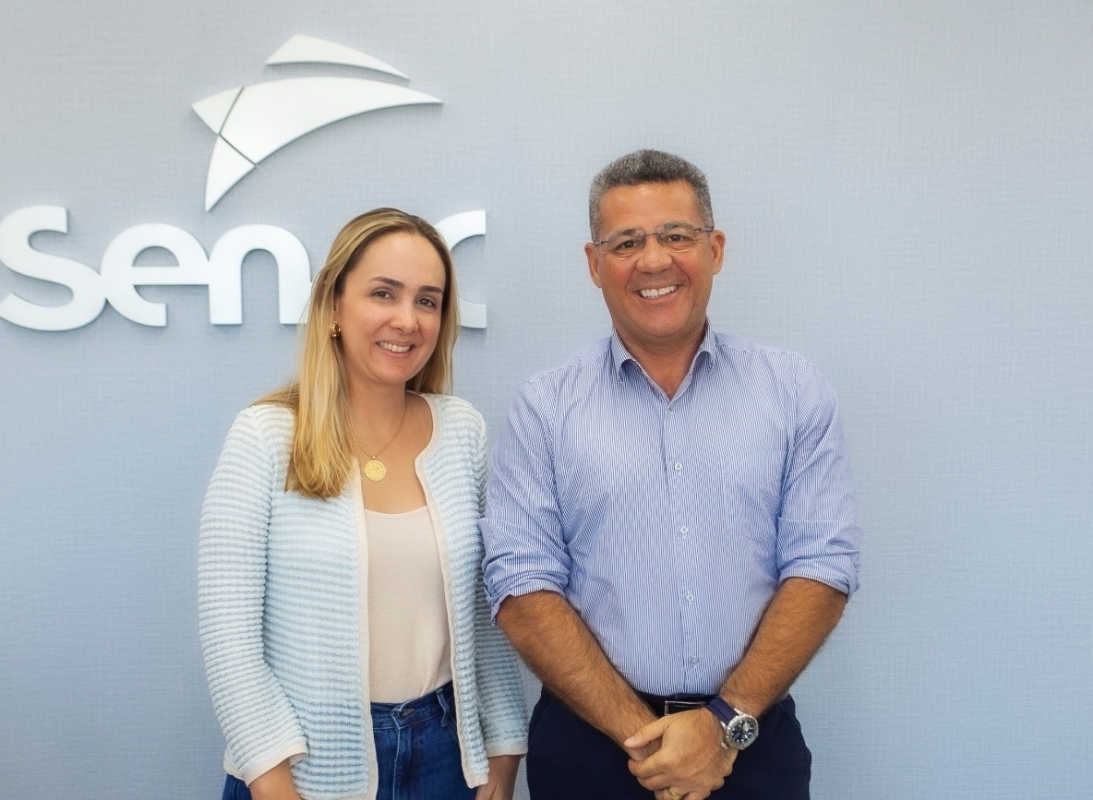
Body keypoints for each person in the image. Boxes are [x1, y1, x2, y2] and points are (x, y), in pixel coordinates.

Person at [481, 150, 861, 800]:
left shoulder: (793, 391)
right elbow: (520, 587)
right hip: (590, 753)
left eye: (676, 237)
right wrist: (651, 742)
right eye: (626, 242)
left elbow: (823, 567)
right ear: (594, 263)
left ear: (714, 249)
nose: (653, 261)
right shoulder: (544, 407)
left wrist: (721, 727)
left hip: (751, 747)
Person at [199, 208, 528, 800]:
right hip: (301, 765)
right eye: (384, 293)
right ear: (333, 305)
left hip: (447, 758)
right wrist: (275, 786)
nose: (407, 320)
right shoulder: (265, 437)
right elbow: (230, 643)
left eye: (428, 301)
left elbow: (487, 615)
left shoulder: (462, 433)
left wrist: (502, 753)